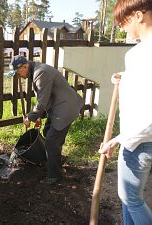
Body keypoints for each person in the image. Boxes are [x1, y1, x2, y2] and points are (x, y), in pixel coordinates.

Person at [99, 1, 152, 224]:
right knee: (128, 197)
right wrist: (124, 76)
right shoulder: (139, 52)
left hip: (139, 139)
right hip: (135, 137)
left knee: (131, 198)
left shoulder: (144, 53)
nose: (121, 28)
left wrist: (119, 139)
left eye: (123, 22)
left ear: (138, 15)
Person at [6, 55, 84, 184]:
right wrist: (39, 116)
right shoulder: (35, 71)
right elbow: (45, 96)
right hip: (59, 106)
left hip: (65, 108)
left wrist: (30, 117)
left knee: (52, 141)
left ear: (25, 66)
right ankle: (55, 159)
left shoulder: (40, 73)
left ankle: (55, 176)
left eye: (18, 73)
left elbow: (42, 101)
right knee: (48, 132)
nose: (18, 76)